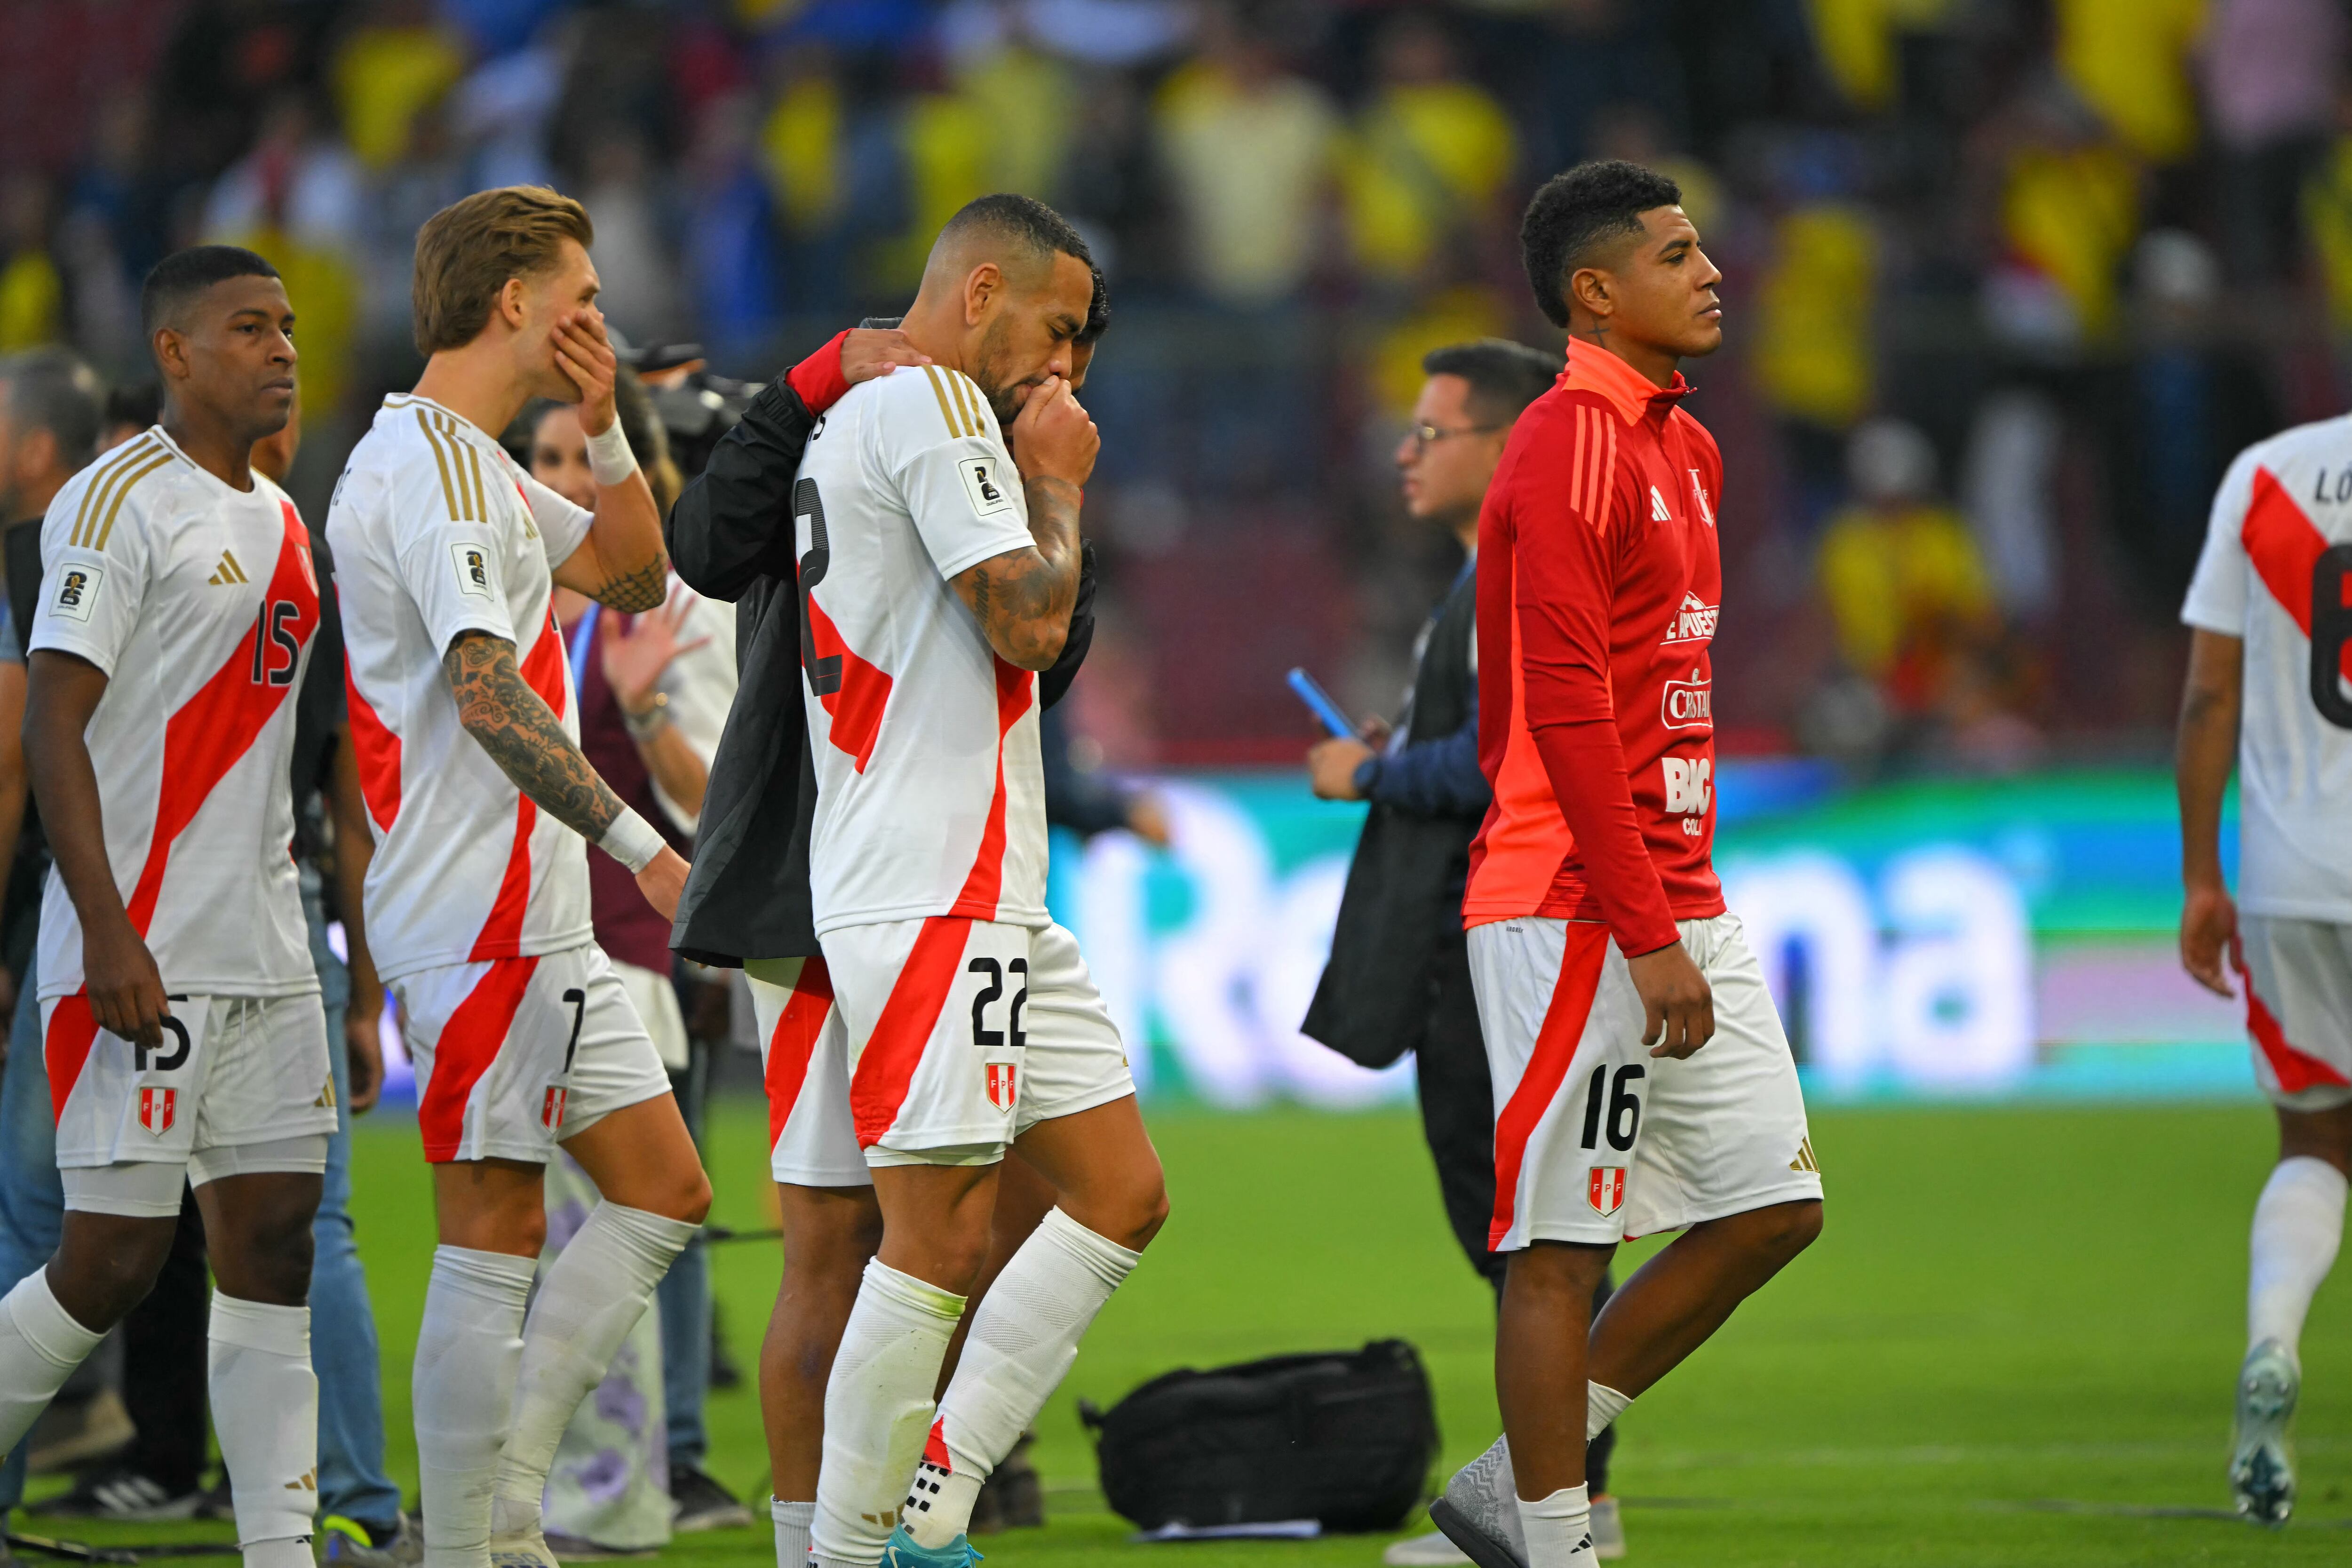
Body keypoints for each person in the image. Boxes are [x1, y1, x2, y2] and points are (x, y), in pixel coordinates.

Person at [1428, 162, 1824, 1568]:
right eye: (1675, 253)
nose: (1711, 269)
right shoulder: (1566, 442)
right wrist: (1640, 916)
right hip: (1575, 903)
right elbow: (1557, 705)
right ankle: (1557, 1539)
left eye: (1704, 245)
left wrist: (1669, 904)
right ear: (1599, 292)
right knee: (1560, 1242)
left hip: (1674, 892)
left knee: (1774, 1205)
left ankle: (1507, 1481)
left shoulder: (1689, 451)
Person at [325, 185, 710, 1568]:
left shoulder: (468, 461)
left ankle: (500, 1513)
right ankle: (476, 1537)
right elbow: (488, 696)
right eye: (585, 298)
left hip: (529, 912)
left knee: (665, 1188)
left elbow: (633, 571)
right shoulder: (426, 480)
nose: (602, 317)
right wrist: (645, 849)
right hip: (475, 907)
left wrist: (610, 423)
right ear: (515, 305)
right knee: (490, 1230)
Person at [4, 245, 334, 1568]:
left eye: (291, 327)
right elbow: (55, 730)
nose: (283, 348)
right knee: (110, 1259)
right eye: (249, 328)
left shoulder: (283, 515)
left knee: (274, 1240)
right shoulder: (112, 501)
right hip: (140, 944)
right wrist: (104, 929)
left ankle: (281, 1545)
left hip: (265, 944)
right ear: (175, 352)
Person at [1301, 339, 1626, 1566]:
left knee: (1527, 1238)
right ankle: (1564, 1499)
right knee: (1531, 1232)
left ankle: (1549, 1507)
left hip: (1501, 935)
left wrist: (1374, 771)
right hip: (1514, 931)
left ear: (1502, 447)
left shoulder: (1511, 571)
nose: (1405, 451)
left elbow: (1509, 761)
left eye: (1432, 432)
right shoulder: (1479, 584)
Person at [519, 378, 747, 1540]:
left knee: (613, 1228)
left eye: (577, 461)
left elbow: (720, 815)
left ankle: (617, 1494)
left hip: (631, 953)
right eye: (541, 459)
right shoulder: (529, 615)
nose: (558, 482)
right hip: (540, 950)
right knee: (579, 1230)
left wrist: (646, 714)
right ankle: (590, 1484)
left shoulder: (657, 614)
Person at [2175, 399, 2352, 1528]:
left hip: (2294, 878)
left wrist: (2202, 875)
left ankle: (2273, 1339)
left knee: (2315, 1138)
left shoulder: (2266, 474)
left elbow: (2207, 696)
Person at [0, 347, 105, 1537]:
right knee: (286, 1228)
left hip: (68, 922)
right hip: (105, 916)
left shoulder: (41, 558)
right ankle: (334, 1504)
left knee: (36, 1217)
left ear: (35, 447)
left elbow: (17, 751)